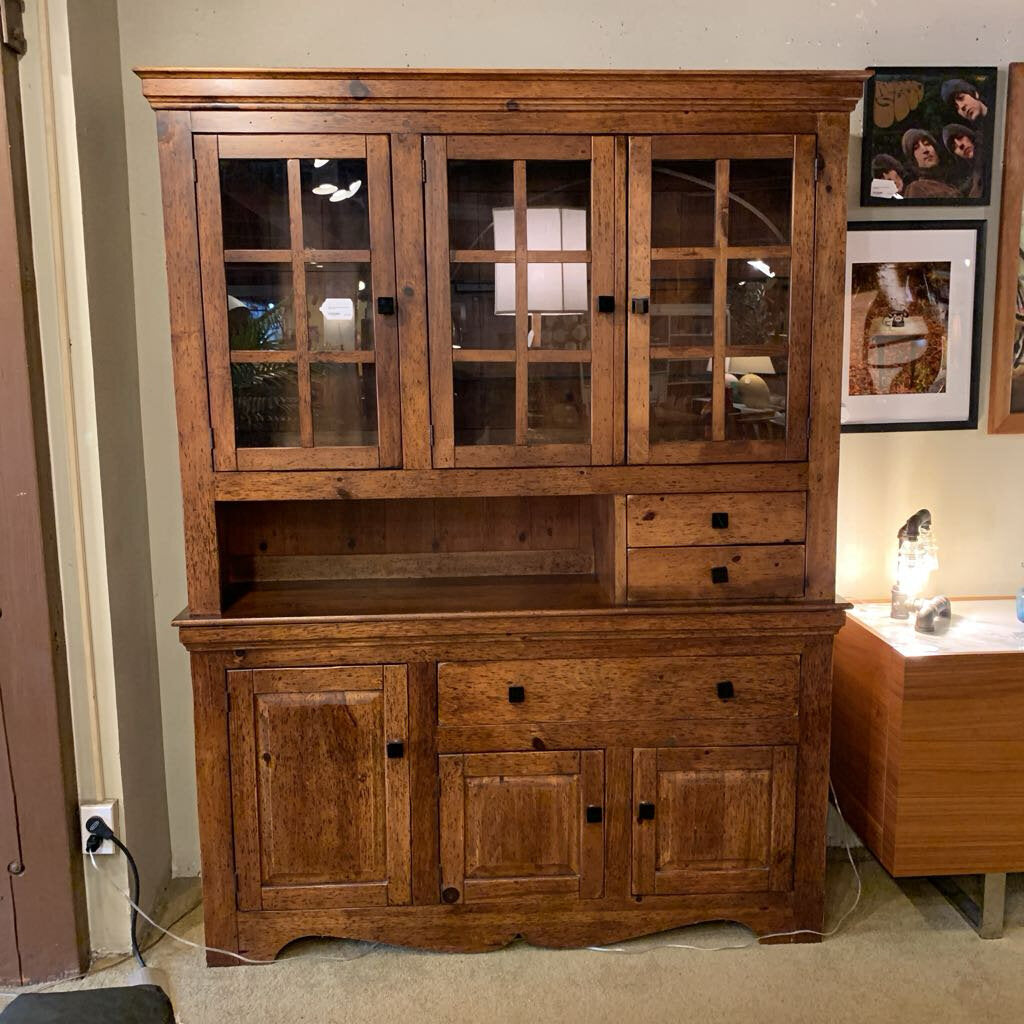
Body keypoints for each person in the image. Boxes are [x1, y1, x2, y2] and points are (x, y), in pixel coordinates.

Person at [901, 129, 959, 198]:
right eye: (916, 148)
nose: (925, 150)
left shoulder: (949, 185)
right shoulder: (916, 188)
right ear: (914, 160)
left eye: (927, 144)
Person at [942, 123, 984, 198]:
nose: (960, 145)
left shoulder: (988, 149)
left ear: (968, 135)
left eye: (960, 137)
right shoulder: (973, 171)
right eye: (954, 146)